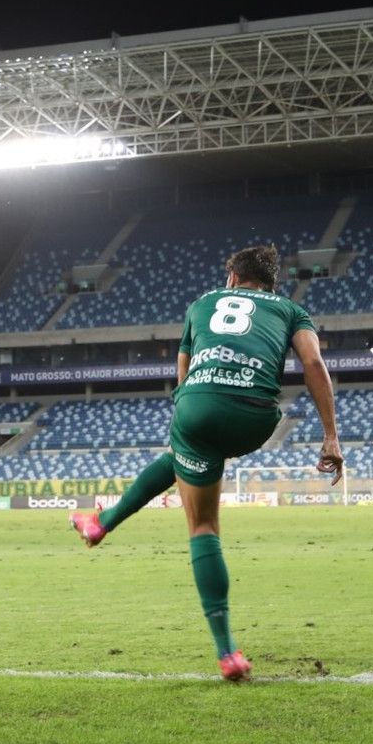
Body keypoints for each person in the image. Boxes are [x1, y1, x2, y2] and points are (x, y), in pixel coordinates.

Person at [69, 244, 341, 682]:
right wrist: (330, 436)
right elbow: (312, 362)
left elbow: (184, 365)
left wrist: (190, 408)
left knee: (202, 523)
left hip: (198, 404)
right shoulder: (291, 310)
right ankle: (102, 522)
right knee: (190, 456)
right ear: (271, 283)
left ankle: (227, 653)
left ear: (232, 279)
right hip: (257, 416)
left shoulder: (202, 303)